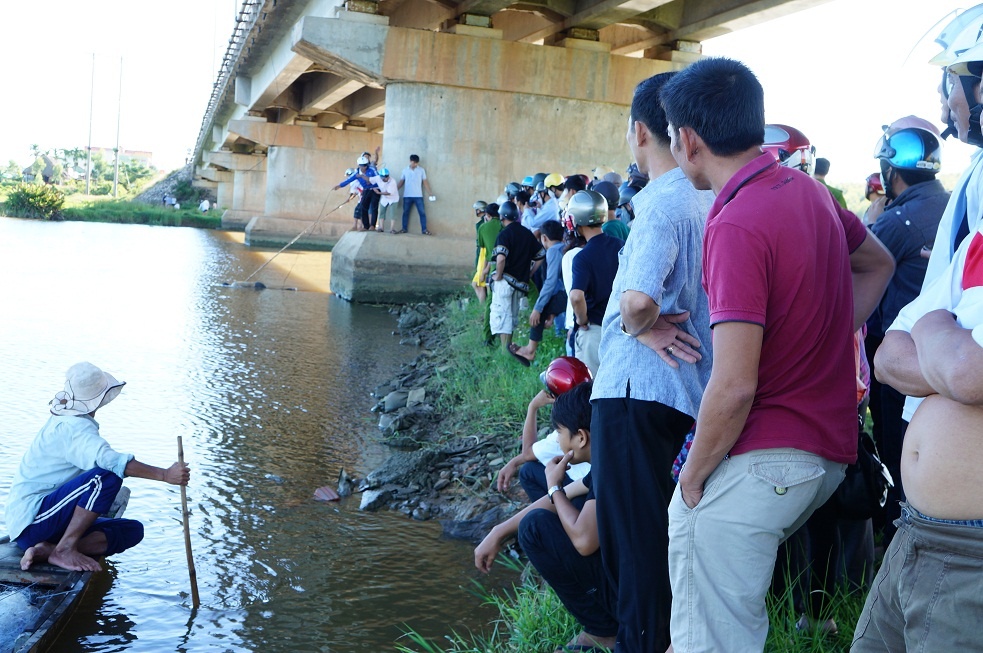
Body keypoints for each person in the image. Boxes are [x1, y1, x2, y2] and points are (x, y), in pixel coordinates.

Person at [658, 57, 894, 652]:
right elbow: (878, 263)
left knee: (712, 633)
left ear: (688, 141)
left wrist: (692, 476)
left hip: (771, 454)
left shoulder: (735, 222)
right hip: (828, 452)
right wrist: (827, 334)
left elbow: (735, 385)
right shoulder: (809, 191)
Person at [590, 70, 715, 653]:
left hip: (634, 396)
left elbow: (638, 301)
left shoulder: (663, 202)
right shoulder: (712, 199)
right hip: (687, 398)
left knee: (634, 553)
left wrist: (640, 326)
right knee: (667, 548)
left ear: (641, 131)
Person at [6, 363, 191, 573]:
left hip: (50, 524)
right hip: (32, 524)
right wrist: (165, 475)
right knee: (105, 477)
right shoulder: (73, 426)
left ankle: (50, 551)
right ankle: (64, 549)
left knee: (132, 530)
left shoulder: (72, 421)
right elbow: (112, 462)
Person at [476, 380, 616, 653]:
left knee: (533, 528)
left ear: (581, 437)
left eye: (559, 432)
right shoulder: (611, 458)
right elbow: (557, 499)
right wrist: (499, 531)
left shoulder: (607, 470)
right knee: (539, 515)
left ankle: (603, 630)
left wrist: (553, 485)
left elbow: (585, 542)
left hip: (639, 594)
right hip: (642, 582)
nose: (558, 439)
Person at [867, 118, 949, 539]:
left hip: (900, 354)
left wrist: (870, 221)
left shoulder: (896, 221)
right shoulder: (953, 202)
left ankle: (895, 537)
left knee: (894, 448)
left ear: (890, 170)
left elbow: (853, 264)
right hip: (947, 353)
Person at [496, 356, 593, 501]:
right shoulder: (595, 410)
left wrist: (533, 407)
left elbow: (527, 453)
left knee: (528, 471)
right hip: (594, 485)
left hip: (588, 495)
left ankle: (555, 512)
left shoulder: (566, 433)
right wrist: (515, 461)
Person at [568, 190, 624, 374]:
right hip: (623, 328)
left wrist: (581, 319)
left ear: (578, 220)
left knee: (591, 387)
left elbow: (576, 296)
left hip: (595, 331)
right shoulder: (620, 245)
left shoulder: (582, 257)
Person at [508, 219, 567, 366]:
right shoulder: (564, 247)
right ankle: (531, 348)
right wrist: (552, 312)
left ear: (544, 238)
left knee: (539, 310)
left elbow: (551, 282)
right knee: (545, 307)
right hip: (573, 292)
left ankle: (530, 350)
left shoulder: (553, 250)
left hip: (570, 294)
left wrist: (538, 308)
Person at [490, 200, 545, 351]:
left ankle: (504, 351)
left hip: (505, 282)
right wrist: (530, 273)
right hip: (520, 284)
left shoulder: (504, 234)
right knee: (512, 317)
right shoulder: (526, 233)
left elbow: (501, 258)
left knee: (502, 318)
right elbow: (541, 255)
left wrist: (498, 275)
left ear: (502, 217)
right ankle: (509, 348)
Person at [334, 155, 381, 231]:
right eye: (362, 165)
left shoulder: (372, 170)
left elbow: (379, 178)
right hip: (366, 189)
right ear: (359, 165)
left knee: (374, 207)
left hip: (375, 189)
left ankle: (372, 225)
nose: (364, 167)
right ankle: (366, 226)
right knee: (363, 207)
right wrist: (339, 186)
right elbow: (349, 180)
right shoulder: (357, 172)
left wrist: (372, 181)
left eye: (365, 165)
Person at [396, 154, 434, 235]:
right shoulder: (405, 170)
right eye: (414, 162)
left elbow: (425, 182)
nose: (415, 164)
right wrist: (394, 190)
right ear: (410, 161)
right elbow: (401, 182)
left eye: (416, 163)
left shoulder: (421, 170)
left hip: (418, 195)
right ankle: (404, 229)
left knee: (422, 213)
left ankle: (424, 229)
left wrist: (430, 193)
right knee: (405, 213)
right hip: (407, 195)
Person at [375, 167, 400, 233]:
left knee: (393, 214)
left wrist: (379, 193)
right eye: (384, 177)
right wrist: (373, 188)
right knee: (381, 212)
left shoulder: (392, 181)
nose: (385, 178)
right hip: (384, 198)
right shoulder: (378, 179)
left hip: (393, 198)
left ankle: (392, 228)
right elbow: (371, 181)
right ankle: (381, 227)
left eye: (387, 176)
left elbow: (388, 193)